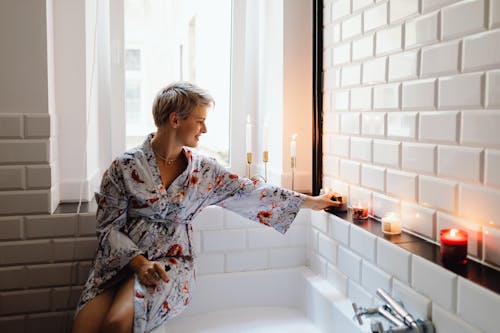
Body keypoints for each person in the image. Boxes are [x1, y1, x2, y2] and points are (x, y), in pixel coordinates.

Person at [71, 82, 342, 333]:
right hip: (119, 261)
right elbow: (108, 229)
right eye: (200, 121)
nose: (205, 129)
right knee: (83, 328)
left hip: (170, 261)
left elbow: (252, 193)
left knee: (116, 324)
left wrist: (314, 202)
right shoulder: (125, 166)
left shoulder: (205, 170)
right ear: (175, 119)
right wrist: (139, 263)